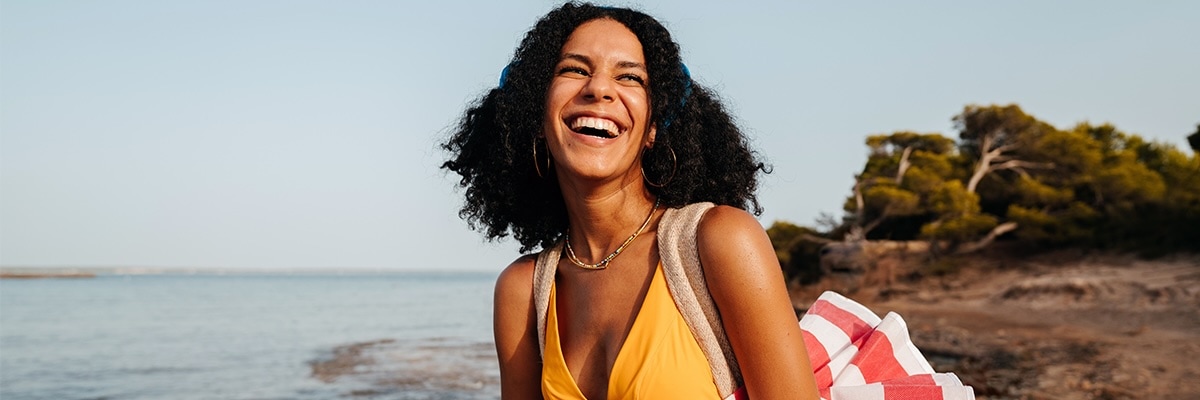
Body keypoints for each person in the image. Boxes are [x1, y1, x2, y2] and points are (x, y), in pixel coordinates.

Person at [442, 3, 819, 399]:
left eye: (630, 77)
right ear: (535, 115)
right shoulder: (524, 292)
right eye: (574, 70)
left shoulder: (719, 241)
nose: (599, 89)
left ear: (654, 126)